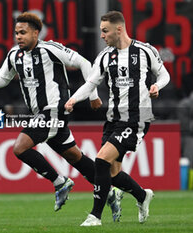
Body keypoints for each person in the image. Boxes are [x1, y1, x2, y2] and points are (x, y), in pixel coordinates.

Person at [0, 12, 122, 215]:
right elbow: (3, 77)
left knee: (19, 148)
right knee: (75, 157)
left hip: (54, 110)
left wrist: (93, 94)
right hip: (40, 114)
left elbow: (85, 63)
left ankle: (60, 182)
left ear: (36, 33)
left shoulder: (50, 49)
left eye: (23, 33)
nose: (19, 37)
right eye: (16, 33)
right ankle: (109, 190)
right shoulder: (14, 55)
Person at [65, 11, 170, 226]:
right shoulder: (105, 56)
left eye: (105, 31)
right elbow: (91, 83)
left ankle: (95, 216)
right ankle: (142, 195)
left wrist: (157, 86)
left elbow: (164, 74)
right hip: (113, 120)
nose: (102, 35)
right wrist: (74, 99)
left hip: (136, 118)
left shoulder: (145, 51)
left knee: (101, 160)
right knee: (112, 173)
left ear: (119, 30)